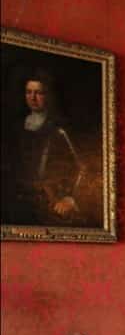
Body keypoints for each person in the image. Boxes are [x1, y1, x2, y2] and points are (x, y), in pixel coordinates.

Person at [1, 71, 86, 227]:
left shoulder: (56, 131)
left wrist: (69, 197)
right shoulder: (14, 127)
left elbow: (78, 167)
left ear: (48, 96)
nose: (33, 97)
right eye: (29, 92)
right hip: (12, 200)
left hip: (43, 203)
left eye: (38, 93)